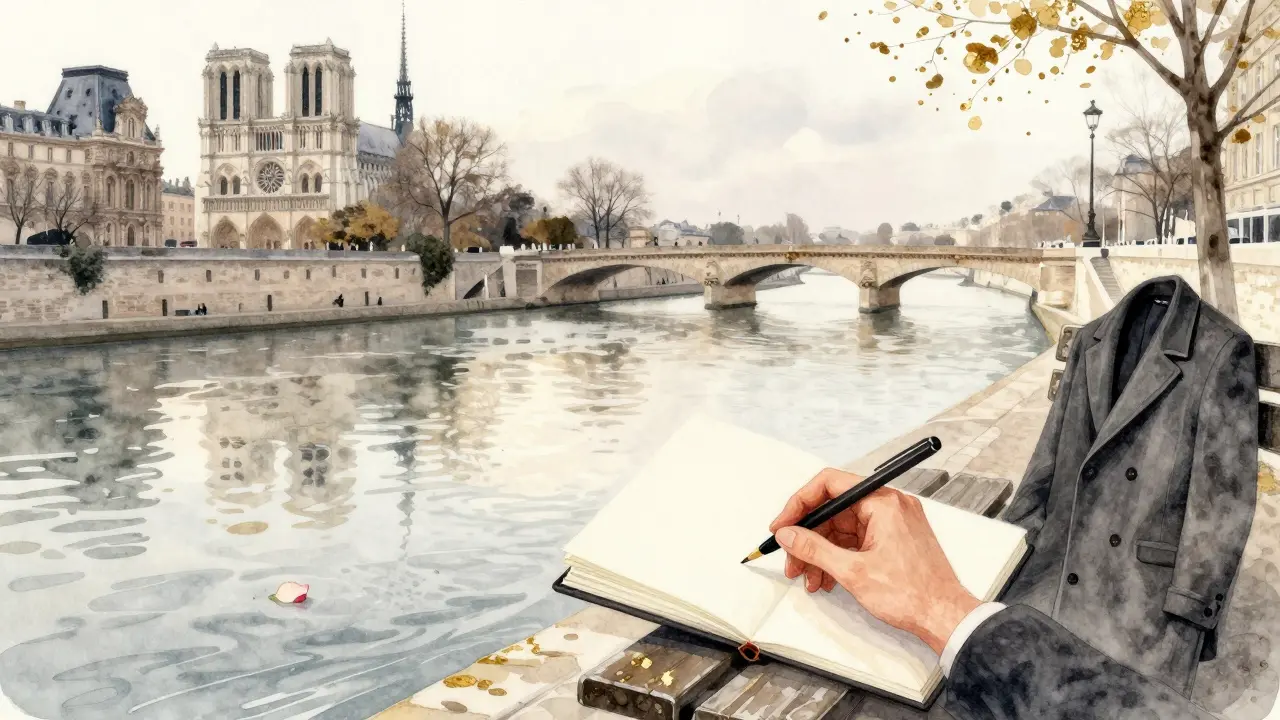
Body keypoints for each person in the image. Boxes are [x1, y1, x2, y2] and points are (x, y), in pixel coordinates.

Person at [770, 469, 1218, 720]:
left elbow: (1216, 498)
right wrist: (1014, 533)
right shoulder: (1091, 339)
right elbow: (1051, 462)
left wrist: (938, 606)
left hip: (1136, 589)